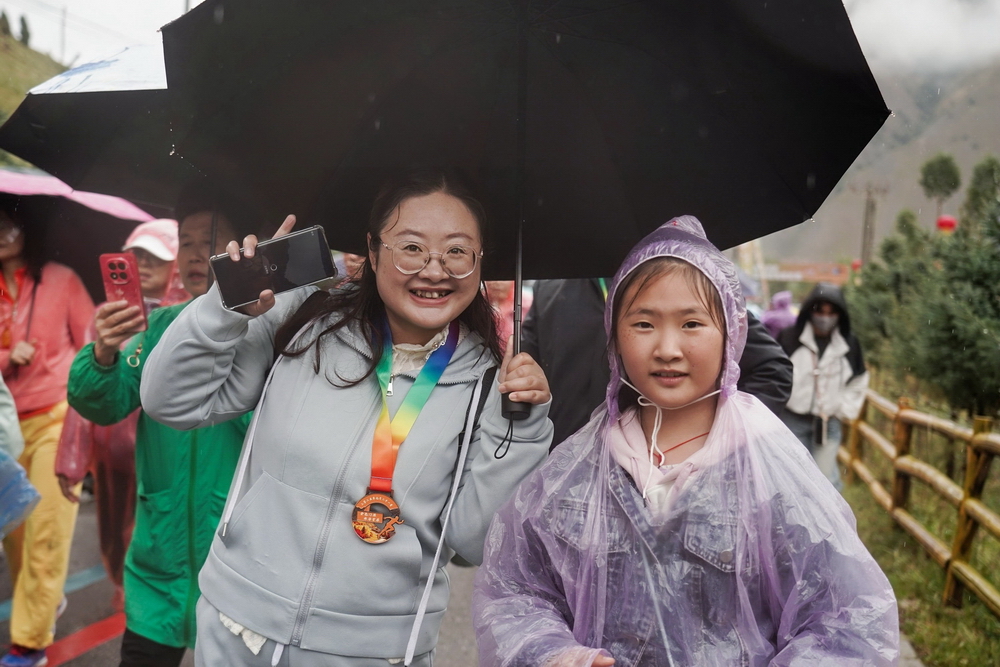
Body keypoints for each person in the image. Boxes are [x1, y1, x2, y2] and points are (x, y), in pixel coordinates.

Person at [139, 168, 552, 666]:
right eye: (412, 247)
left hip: (374, 653)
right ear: (373, 253)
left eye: (457, 251)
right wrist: (225, 307)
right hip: (238, 631)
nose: (434, 270)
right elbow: (170, 401)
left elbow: (475, 542)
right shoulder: (303, 322)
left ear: (480, 262)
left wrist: (523, 429)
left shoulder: (492, 383)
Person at [473, 216, 898, 667]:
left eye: (692, 323)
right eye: (643, 324)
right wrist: (554, 653)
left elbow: (846, 625)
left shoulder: (769, 467)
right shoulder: (575, 467)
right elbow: (515, 592)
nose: (668, 349)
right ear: (614, 335)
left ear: (731, 332)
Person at [67, 193, 253, 667]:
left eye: (210, 240)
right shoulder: (159, 327)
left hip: (239, 569)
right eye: (185, 242)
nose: (195, 254)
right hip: (157, 563)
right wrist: (104, 353)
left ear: (247, 247)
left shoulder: (271, 331)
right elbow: (105, 403)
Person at [55, 219, 190, 612]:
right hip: (111, 449)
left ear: (175, 265)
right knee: (113, 532)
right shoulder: (107, 315)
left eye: (155, 258)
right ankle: (122, 585)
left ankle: (144, 598)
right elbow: (84, 391)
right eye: (136, 256)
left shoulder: (188, 315)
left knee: (156, 531)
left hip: (160, 450)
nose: (143, 265)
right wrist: (72, 458)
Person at [522, 277, 793, 448]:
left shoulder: (678, 279)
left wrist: (711, 442)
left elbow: (771, 370)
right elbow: (530, 376)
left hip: (655, 471)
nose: (667, 350)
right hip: (565, 462)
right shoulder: (550, 289)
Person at [0, 198, 95, 667]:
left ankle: (29, 644)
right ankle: (46, 599)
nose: (1, 232)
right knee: (14, 532)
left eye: (9, 223)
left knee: (45, 533)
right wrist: (5, 356)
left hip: (56, 418)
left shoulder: (62, 279)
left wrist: (85, 419)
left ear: (28, 227)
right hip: (4, 428)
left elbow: (93, 348)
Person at [777, 282, 868, 491]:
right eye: (820, 311)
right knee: (792, 476)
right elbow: (775, 374)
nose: (825, 318)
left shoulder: (849, 344)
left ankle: (827, 512)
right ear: (810, 311)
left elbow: (859, 379)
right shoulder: (789, 338)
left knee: (824, 481)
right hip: (792, 419)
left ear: (840, 315)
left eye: (831, 312)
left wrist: (843, 409)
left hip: (828, 422)